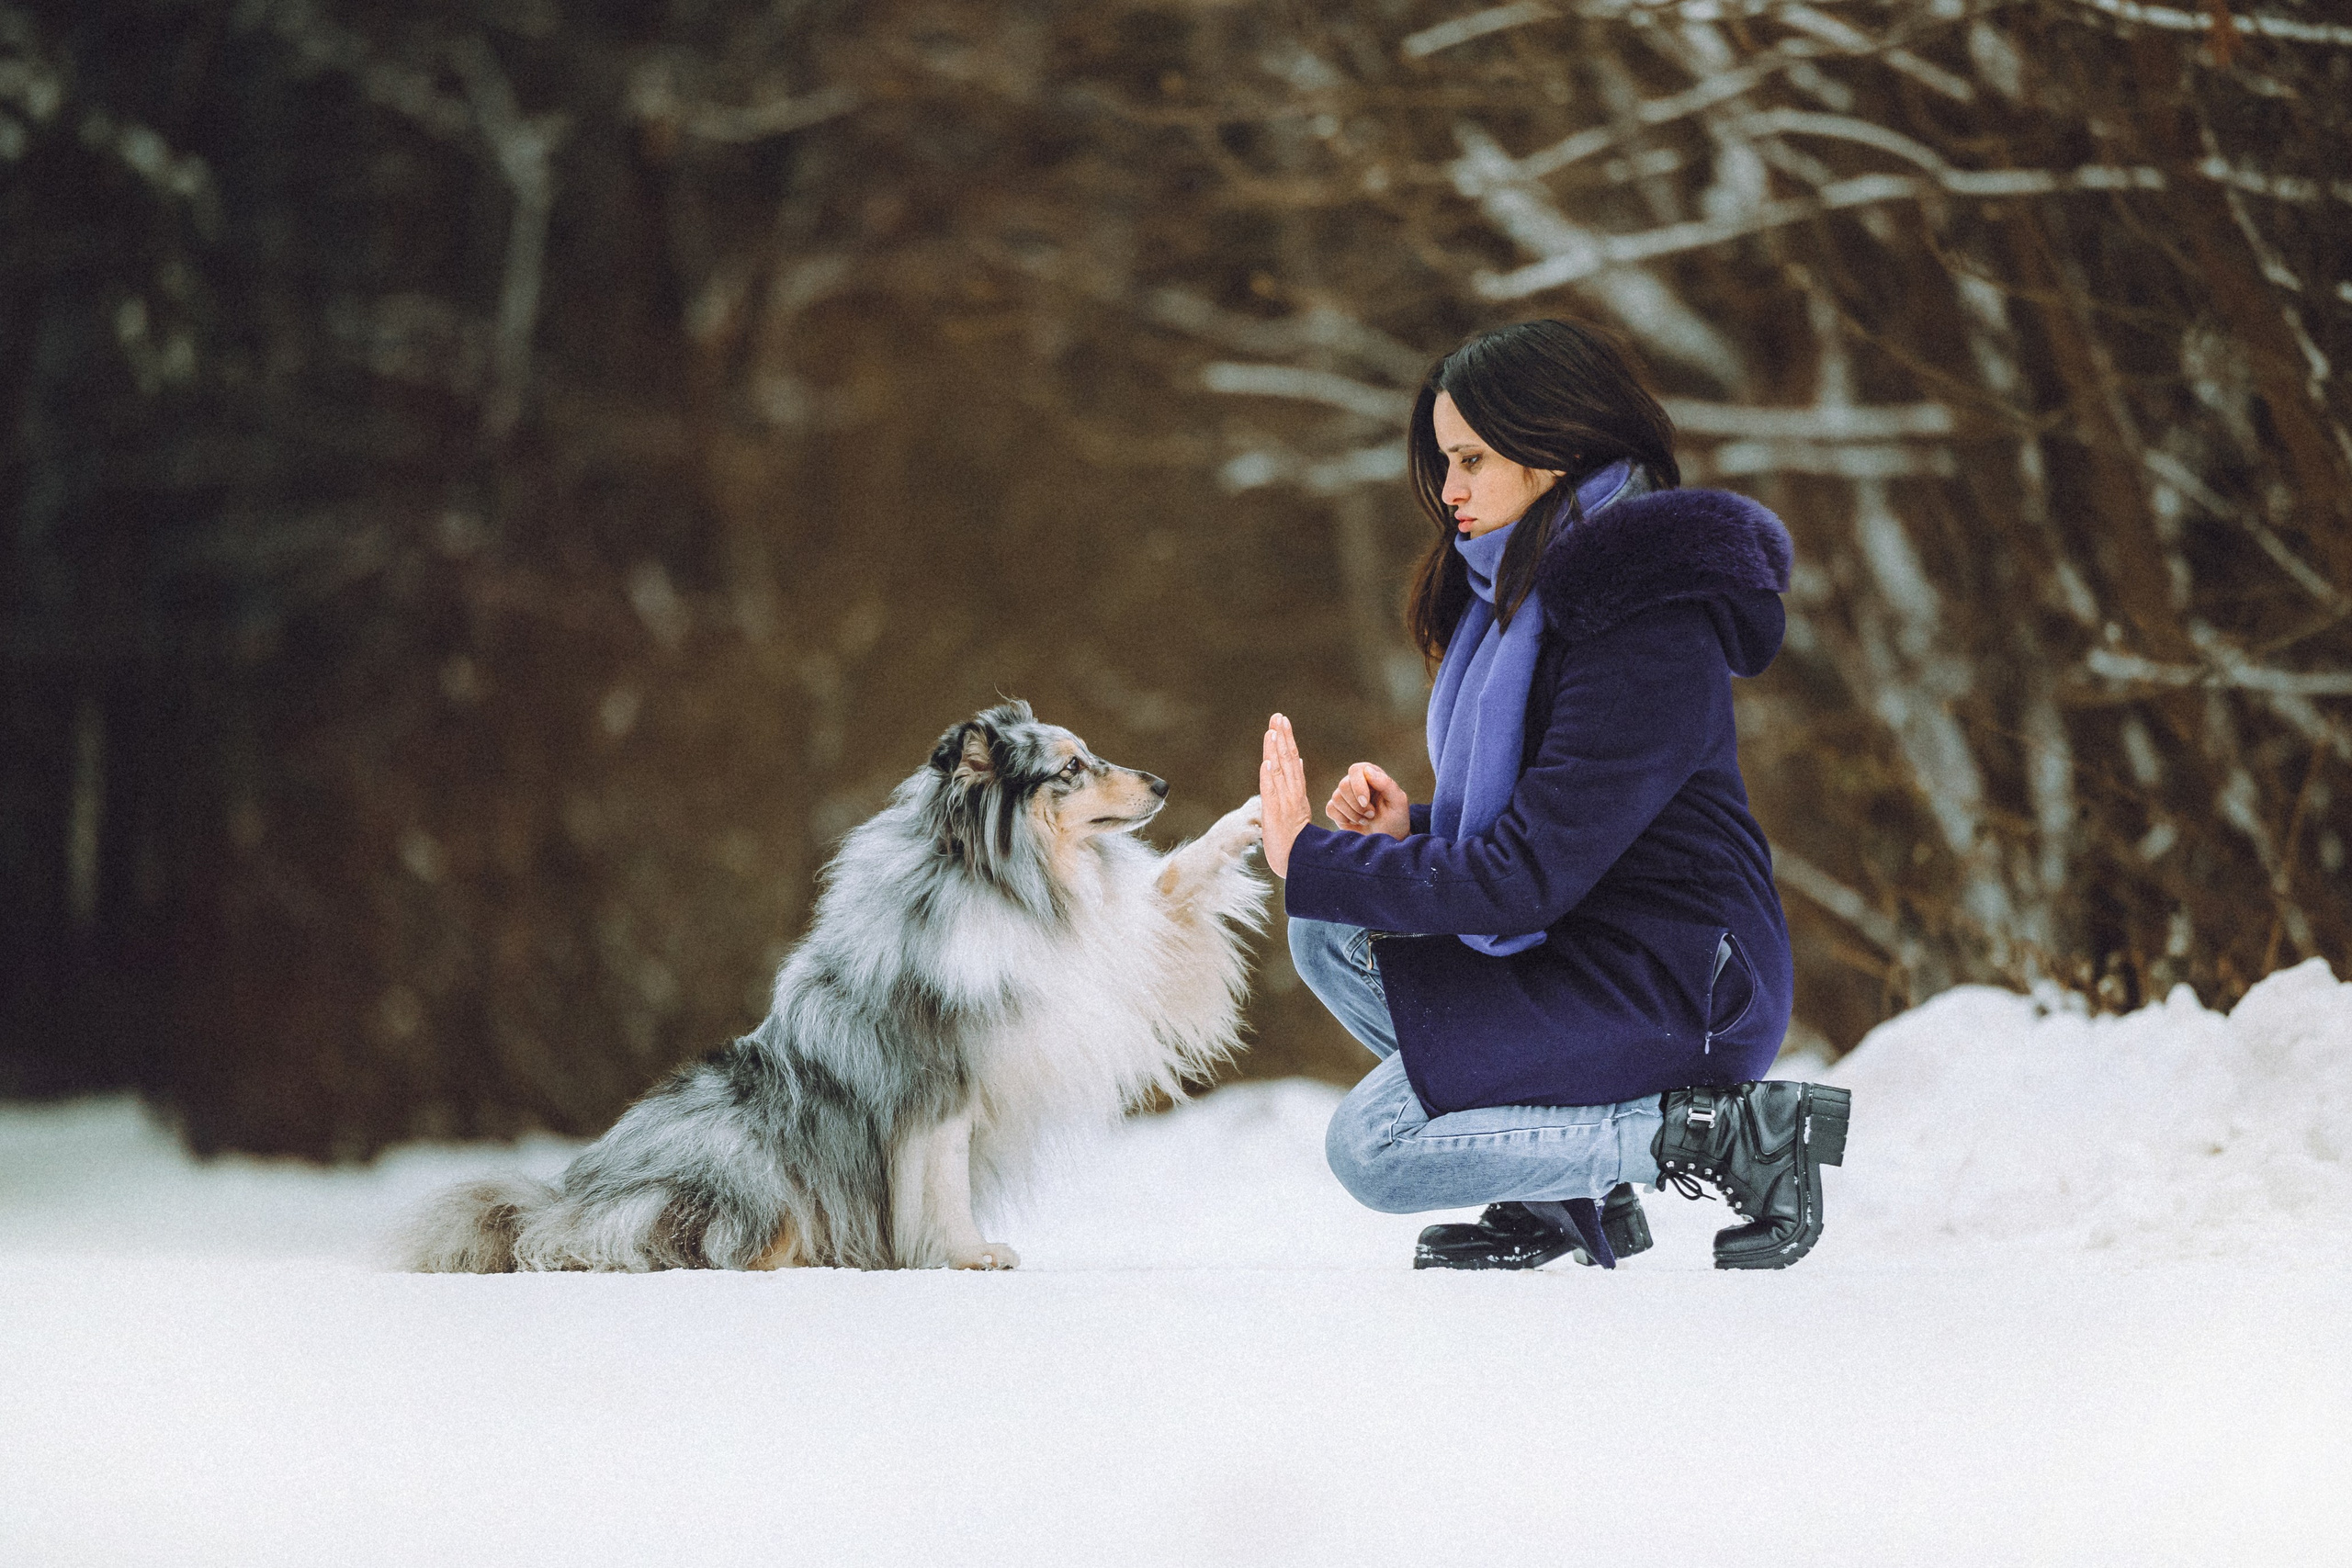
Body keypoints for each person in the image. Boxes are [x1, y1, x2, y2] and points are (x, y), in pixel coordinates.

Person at [1255, 318, 1850, 1271]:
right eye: (1443, 462)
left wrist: (1312, 855)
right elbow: (1559, 820)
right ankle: (1560, 1197)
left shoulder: (1642, 617)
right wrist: (1416, 824)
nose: (1447, 490)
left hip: (1681, 983)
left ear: (1558, 449)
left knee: (1373, 1149)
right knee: (1328, 927)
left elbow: (1528, 875)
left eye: (1471, 460)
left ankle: (1711, 1136)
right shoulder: (1531, 600)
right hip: (1593, 951)